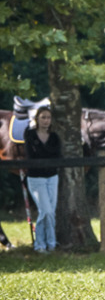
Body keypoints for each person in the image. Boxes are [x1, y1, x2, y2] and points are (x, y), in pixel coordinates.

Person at [24, 106, 61, 253]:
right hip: (36, 178)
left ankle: (50, 244)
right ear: (37, 119)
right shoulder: (30, 134)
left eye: (48, 118)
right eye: (43, 117)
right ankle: (40, 244)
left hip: (52, 177)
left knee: (50, 211)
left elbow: (56, 154)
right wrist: (46, 153)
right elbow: (32, 154)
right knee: (45, 211)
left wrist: (43, 152)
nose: (46, 120)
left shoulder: (54, 137)